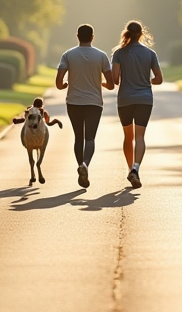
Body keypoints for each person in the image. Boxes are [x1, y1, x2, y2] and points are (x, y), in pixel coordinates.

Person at [55, 24, 114, 188]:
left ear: (77, 36)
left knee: (78, 137)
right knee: (90, 138)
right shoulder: (101, 56)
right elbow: (111, 84)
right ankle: (85, 165)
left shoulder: (68, 55)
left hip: (74, 101)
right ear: (92, 37)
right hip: (94, 103)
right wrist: (99, 82)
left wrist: (64, 85)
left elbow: (59, 82)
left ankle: (80, 165)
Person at [111, 20, 162, 189]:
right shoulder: (150, 54)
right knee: (140, 137)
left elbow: (115, 79)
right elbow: (159, 79)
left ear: (126, 33)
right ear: (141, 34)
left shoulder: (119, 53)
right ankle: (136, 168)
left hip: (125, 99)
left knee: (128, 136)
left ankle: (130, 169)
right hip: (144, 99)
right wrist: (147, 80)